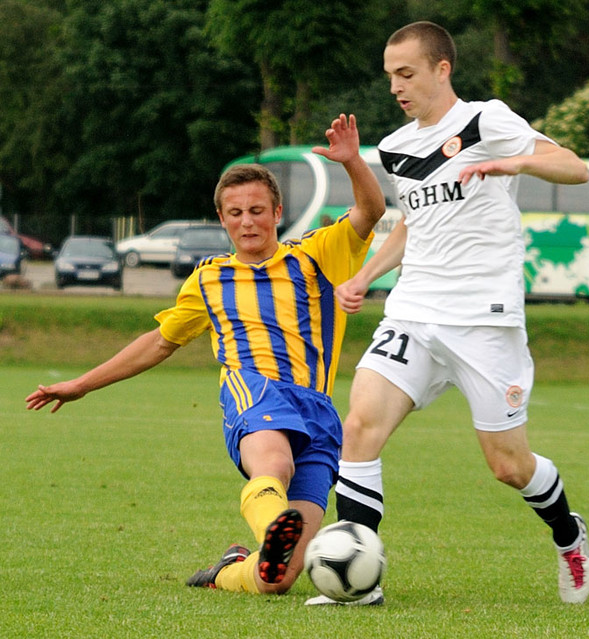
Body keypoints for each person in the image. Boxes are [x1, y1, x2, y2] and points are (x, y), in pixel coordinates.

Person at [25, 114, 386, 596]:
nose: (247, 222)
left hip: (317, 412)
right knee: (272, 465)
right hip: (254, 391)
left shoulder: (317, 254)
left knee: (277, 577)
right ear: (222, 219)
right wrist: (81, 384)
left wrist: (353, 164)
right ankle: (275, 526)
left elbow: (371, 210)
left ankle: (230, 569)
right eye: (235, 213)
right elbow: (158, 342)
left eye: (257, 210)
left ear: (277, 213)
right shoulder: (208, 278)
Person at [305, 21, 589, 606]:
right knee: (358, 427)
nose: (395, 87)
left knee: (509, 466)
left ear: (442, 69)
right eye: (389, 77)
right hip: (414, 311)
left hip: (485, 319)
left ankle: (568, 533)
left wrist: (517, 164)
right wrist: (365, 274)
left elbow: (574, 166)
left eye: (406, 74)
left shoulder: (487, 120)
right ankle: (359, 586)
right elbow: (415, 221)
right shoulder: (396, 147)